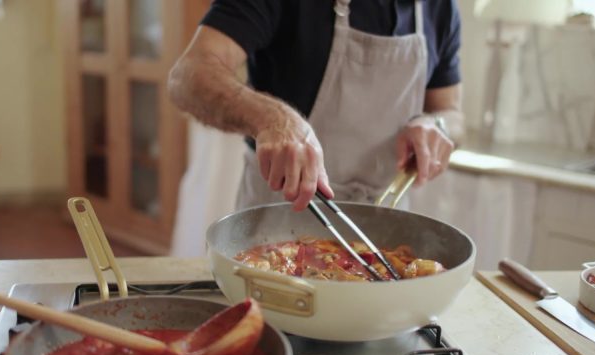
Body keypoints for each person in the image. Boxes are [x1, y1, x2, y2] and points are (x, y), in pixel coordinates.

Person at [168, 0, 463, 212]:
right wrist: (274, 119)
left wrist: (436, 125)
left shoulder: (441, 8)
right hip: (277, 223)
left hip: (385, 231)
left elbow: (451, 112)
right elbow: (189, 76)